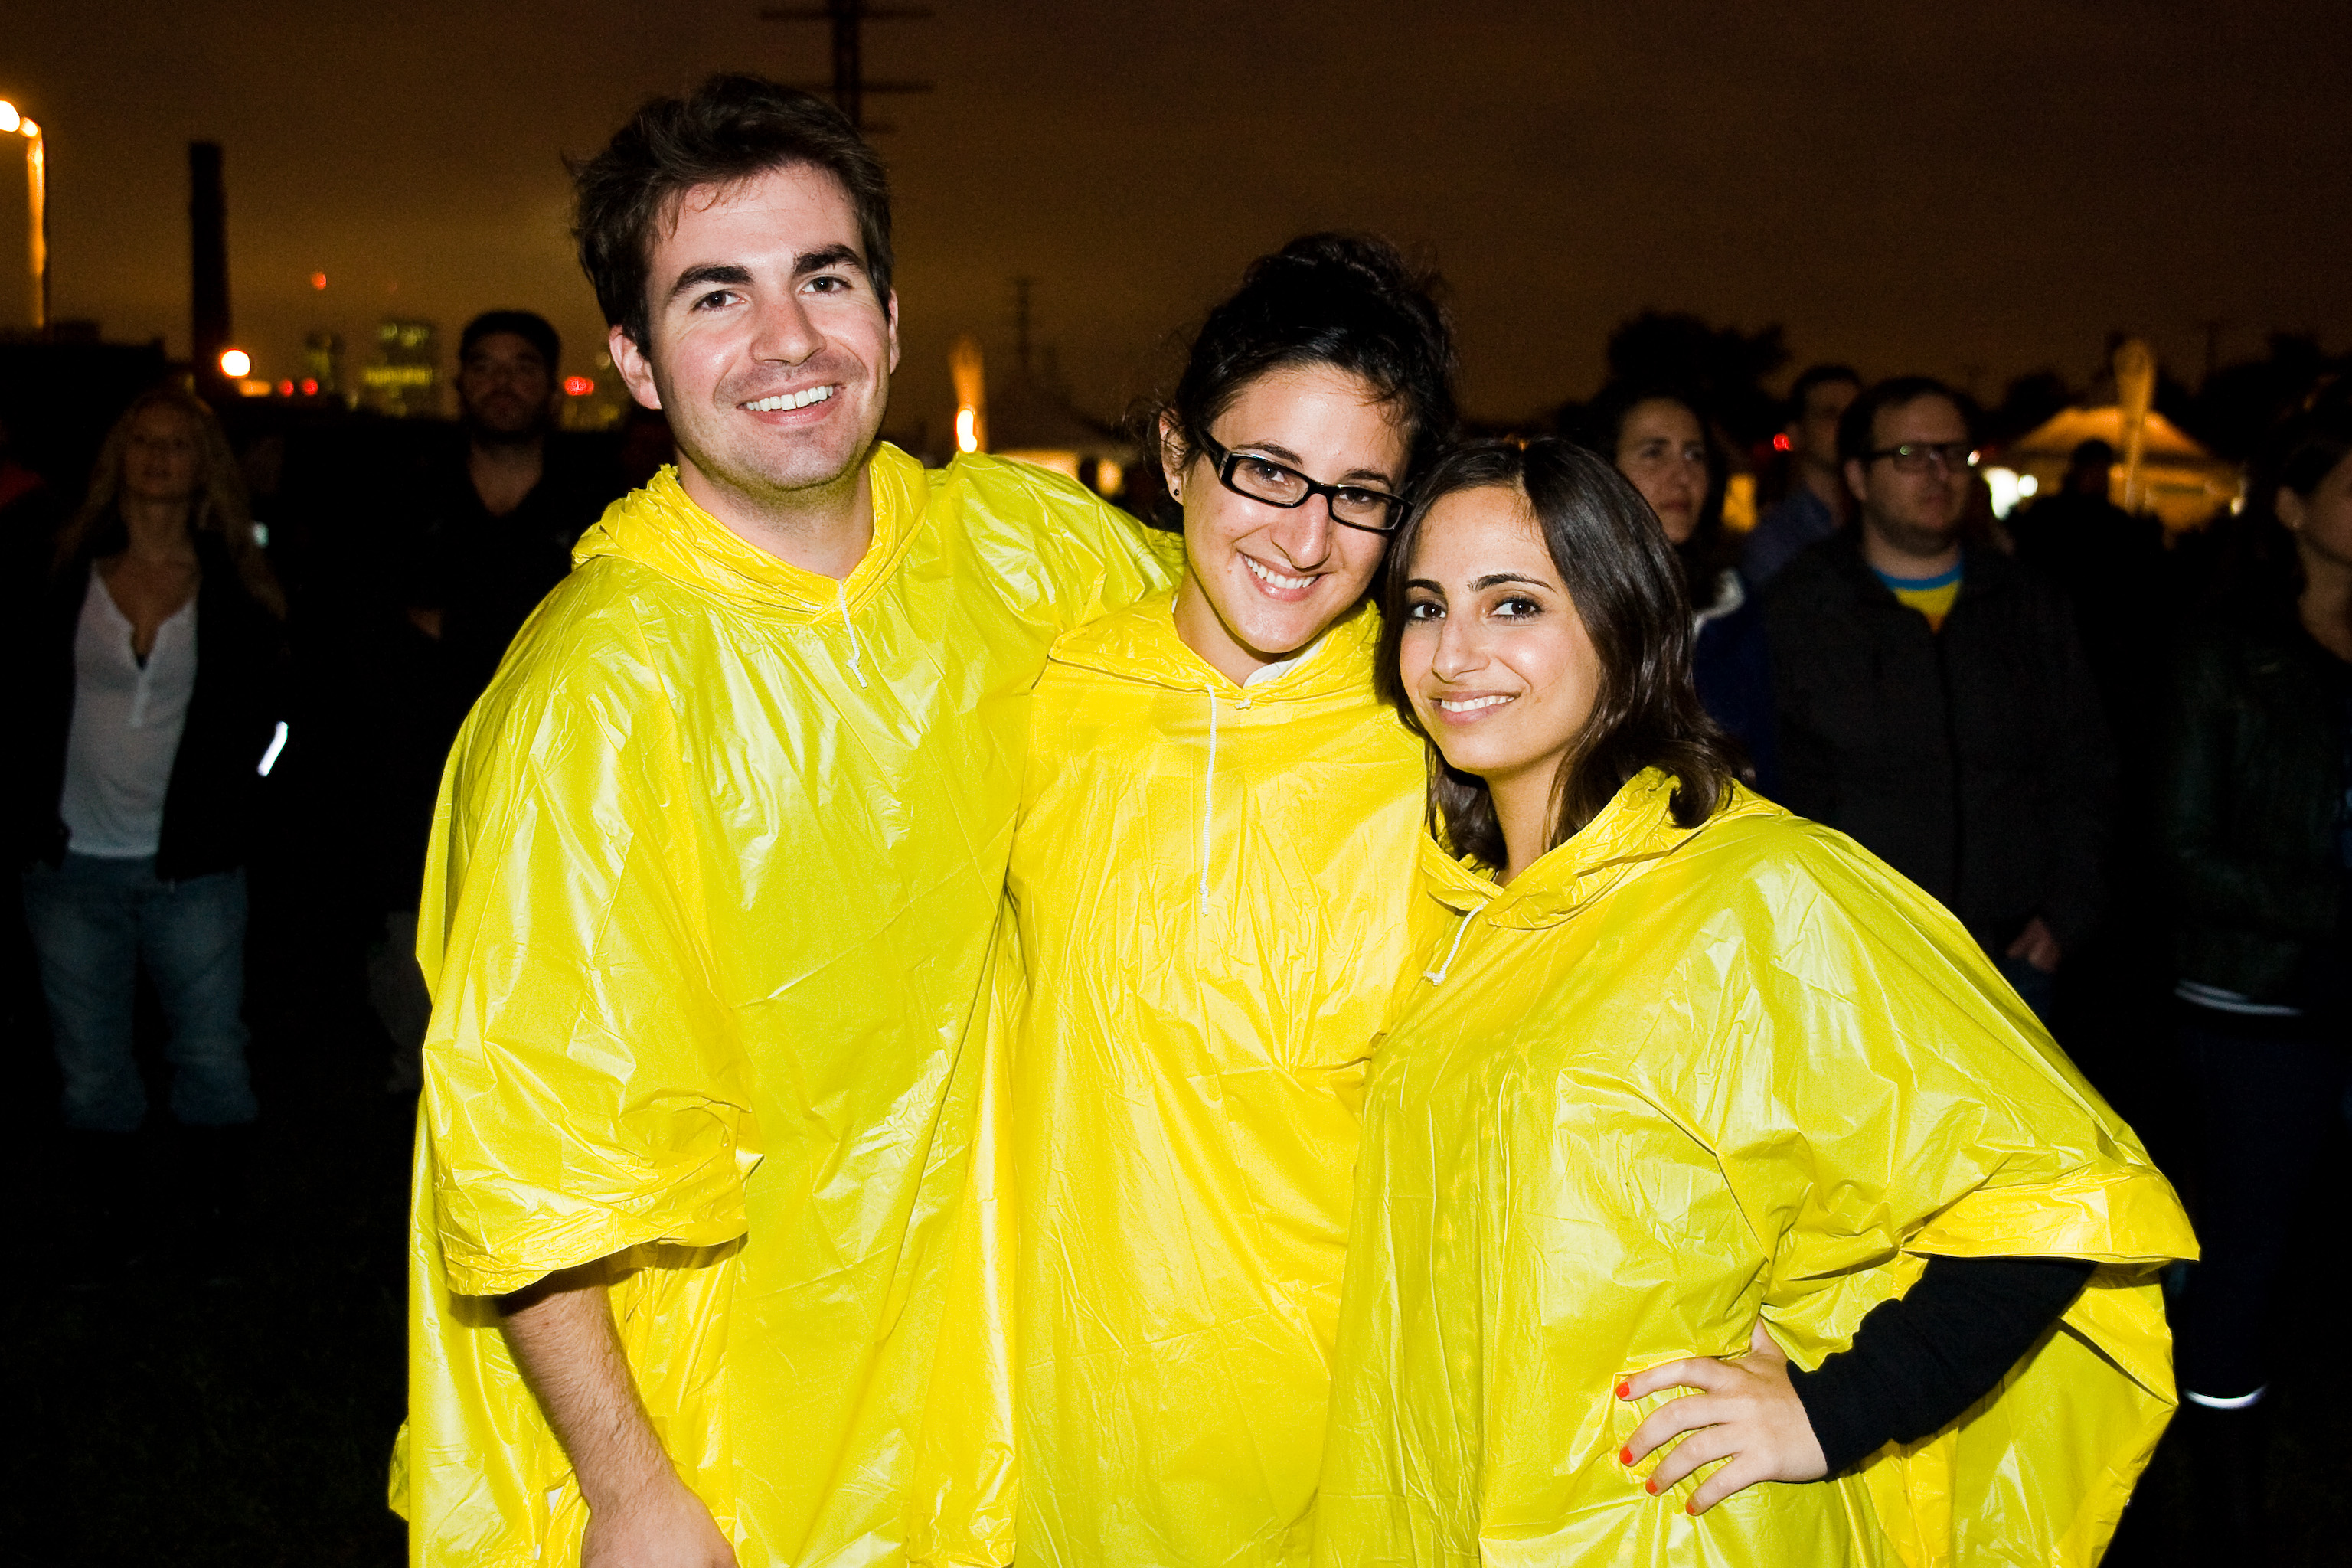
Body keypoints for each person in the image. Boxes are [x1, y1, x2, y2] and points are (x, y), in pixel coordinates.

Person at [390, 77, 1172, 1568]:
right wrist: (632, 1490)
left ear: (886, 305)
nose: (787, 342)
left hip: (1001, 1394)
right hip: (729, 1444)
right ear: (631, 359)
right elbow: (527, 1157)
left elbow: (1300, 686)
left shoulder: (1027, 551)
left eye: (823, 278)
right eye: (714, 296)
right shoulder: (595, 695)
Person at [1312, 436, 2194, 1566]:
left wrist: (1841, 1408)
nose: (1454, 652)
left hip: (1672, 1529)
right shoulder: (1460, 913)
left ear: (1624, 622)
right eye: (1426, 606)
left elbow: (2056, 1187)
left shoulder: (1756, 891)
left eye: (1516, 603)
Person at [1001, 234, 1456, 1568]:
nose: (1305, 537)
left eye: (1360, 494)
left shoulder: (1448, 738)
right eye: (1267, 470)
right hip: (1057, 1428)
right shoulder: (1044, 696)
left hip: (1343, 1440)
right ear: (1175, 455)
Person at [2158, 400, 2352, 1559]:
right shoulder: (2226, 654)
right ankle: (2227, 1498)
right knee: (2246, 1252)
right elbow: (2184, 851)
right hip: (2257, 1009)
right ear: (2291, 508)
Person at [1764, 376, 2112, 1022]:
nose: (1938, 472)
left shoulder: (2028, 606)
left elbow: (2082, 764)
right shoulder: (1799, 610)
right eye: (1909, 455)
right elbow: (1777, 784)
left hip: (2011, 961)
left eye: (1954, 454)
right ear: (1858, 478)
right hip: (1857, 962)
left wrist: (2068, 913)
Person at [17, 387, 284, 1194]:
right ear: (118, 458)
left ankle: (213, 1228)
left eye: (179, 443)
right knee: (91, 1064)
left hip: (192, 871)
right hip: (70, 867)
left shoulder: (236, 587)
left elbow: (272, 722)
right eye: (144, 440)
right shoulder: (63, 570)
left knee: (210, 1055)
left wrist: (239, 808)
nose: (160, 457)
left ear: (205, 465)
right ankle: (108, 1223)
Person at [363, 309, 622, 1091]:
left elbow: (604, 645)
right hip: (418, 821)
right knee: (425, 1042)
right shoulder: (404, 502)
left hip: (564, 816)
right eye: (484, 365)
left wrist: (457, 626)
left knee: (553, 1053)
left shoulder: (602, 508)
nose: (502, 382)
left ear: (553, 386)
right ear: (460, 382)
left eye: (521, 366)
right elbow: (363, 637)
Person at [1587, 382, 1778, 793]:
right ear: (1603, 470)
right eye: (1654, 452)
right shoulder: (1567, 610)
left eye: (1695, 455)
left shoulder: (1739, 610)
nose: (1681, 475)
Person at [1742, 363, 1858, 586]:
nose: (1846, 425)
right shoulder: (1776, 539)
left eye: (1854, 413)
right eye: (1830, 414)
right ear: (1796, 433)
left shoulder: (1882, 523)